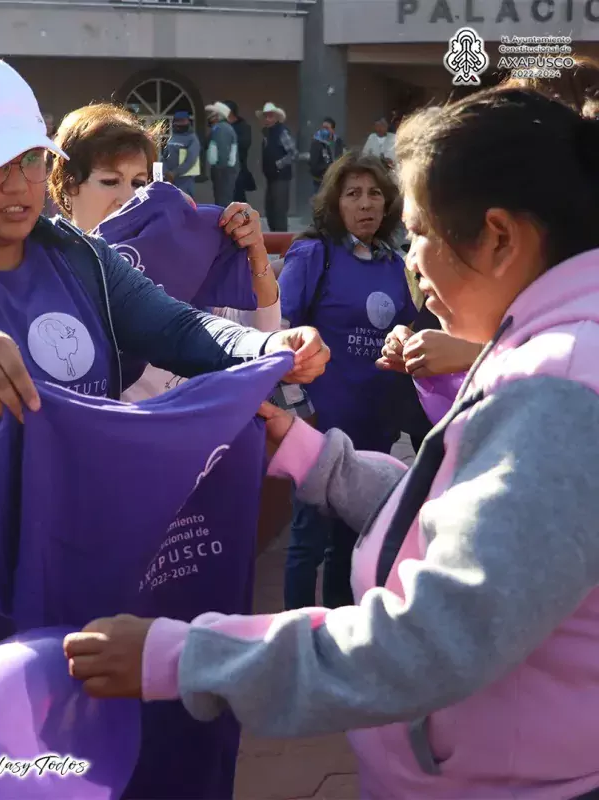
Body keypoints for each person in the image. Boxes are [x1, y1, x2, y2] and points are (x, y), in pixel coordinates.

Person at [66, 84, 599, 799]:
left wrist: (184, 655)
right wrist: (308, 451)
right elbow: (454, 517)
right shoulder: (547, 350)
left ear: (499, 237)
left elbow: (427, 640)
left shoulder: (559, 383)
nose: (412, 264)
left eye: (421, 235)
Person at [0, 55, 328, 800]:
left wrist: (266, 347)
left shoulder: (79, 258)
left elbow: (175, 326)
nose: (21, 183)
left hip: (54, 599)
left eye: (33, 161)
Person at [47, 102, 282, 400]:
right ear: (68, 186)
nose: (128, 198)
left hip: (191, 436)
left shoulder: (184, 251)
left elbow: (257, 337)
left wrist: (255, 254)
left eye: (139, 183)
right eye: (110, 182)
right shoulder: (47, 268)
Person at [277, 151, 416, 610]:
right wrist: (300, 414)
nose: (365, 204)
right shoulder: (314, 253)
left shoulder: (395, 264)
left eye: (375, 193)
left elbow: (413, 329)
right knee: (307, 542)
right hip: (321, 423)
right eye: (353, 193)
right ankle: (294, 637)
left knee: (353, 539)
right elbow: (280, 332)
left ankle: (339, 633)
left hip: (375, 424)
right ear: (336, 203)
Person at [257, 102, 296, 232]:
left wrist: (279, 164)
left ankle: (282, 242)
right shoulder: (267, 134)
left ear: (276, 118)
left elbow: (293, 153)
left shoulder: (282, 132)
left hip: (281, 177)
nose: (268, 119)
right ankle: (275, 237)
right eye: (266, 116)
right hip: (271, 177)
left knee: (279, 211)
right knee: (270, 210)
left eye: (270, 116)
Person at [204, 101, 238, 208]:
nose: (208, 116)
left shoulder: (221, 129)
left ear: (217, 115)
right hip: (225, 171)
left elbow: (223, 153)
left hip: (223, 172)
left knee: (223, 201)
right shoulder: (223, 128)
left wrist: (219, 170)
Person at [162, 110, 201, 198]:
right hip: (169, 179)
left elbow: (191, 160)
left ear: (188, 122)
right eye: (177, 121)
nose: (180, 123)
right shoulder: (173, 137)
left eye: (183, 121)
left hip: (184, 180)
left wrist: (174, 173)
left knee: (184, 203)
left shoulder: (192, 139)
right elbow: (164, 156)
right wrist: (165, 172)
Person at [225, 100, 255, 204]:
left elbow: (244, 144)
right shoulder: (222, 127)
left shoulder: (243, 127)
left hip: (238, 167)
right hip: (225, 169)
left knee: (238, 198)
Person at [309, 117, 344, 193]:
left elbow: (341, 157)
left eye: (327, 128)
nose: (324, 130)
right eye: (323, 128)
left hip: (335, 180)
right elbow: (313, 164)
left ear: (332, 130)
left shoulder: (338, 141)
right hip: (320, 181)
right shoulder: (316, 142)